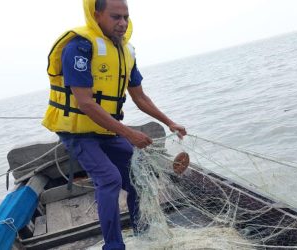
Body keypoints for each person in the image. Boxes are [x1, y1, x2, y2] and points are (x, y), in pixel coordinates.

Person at [42, 0, 186, 249]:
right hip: (78, 132)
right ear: (96, 15)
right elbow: (85, 103)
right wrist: (130, 134)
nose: (122, 23)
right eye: (115, 17)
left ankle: (143, 234)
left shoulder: (126, 51)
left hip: (106, 129)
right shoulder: (79, 47)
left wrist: (169, 122)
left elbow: (139, 97)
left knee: (136, 177)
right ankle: (114, 246)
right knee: (109, 178)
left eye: (126, 17)